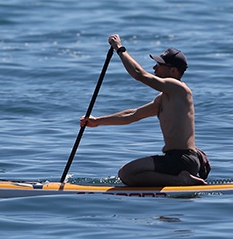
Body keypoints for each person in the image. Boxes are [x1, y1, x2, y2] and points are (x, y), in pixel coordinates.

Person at [80, 34, 211, 186]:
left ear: (174, 71)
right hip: (175, 159)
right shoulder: (164, 98)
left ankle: (181, 180)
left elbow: (139, 74)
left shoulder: (179, 88)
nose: (154, 68)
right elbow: (132, 115)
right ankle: (179, 178)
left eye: (160, 65)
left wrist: (120, 49)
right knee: (128, 173)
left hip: (181, 159)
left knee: (126, 173)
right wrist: (97, 121)